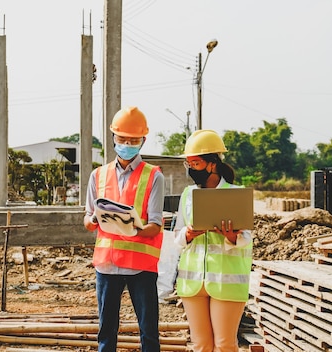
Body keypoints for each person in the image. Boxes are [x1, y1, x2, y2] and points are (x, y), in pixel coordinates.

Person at [83, 106, 165, 352]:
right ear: (113, 138)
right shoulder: (98, 175)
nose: (127, 144)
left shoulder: (154, 176)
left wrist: (131, 228)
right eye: (122, 139)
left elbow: (156, 225)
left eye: (133, 140)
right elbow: (87, 220)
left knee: (148, 332)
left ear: (143, 141)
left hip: (141, 266)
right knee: (106, 331)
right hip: (107, 265)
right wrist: (95, 220)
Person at [172, 129, 253, 352]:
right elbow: (176, 238)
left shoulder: (236, 194)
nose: (191, 169)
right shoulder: (188, 195)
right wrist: (187, 235)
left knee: (225, 345)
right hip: (192, 284)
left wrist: (231, 237)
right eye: (188, 164)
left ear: (212, 164)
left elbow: (247, 239)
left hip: (226, 283)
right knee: (201, 345)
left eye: (195, 163)